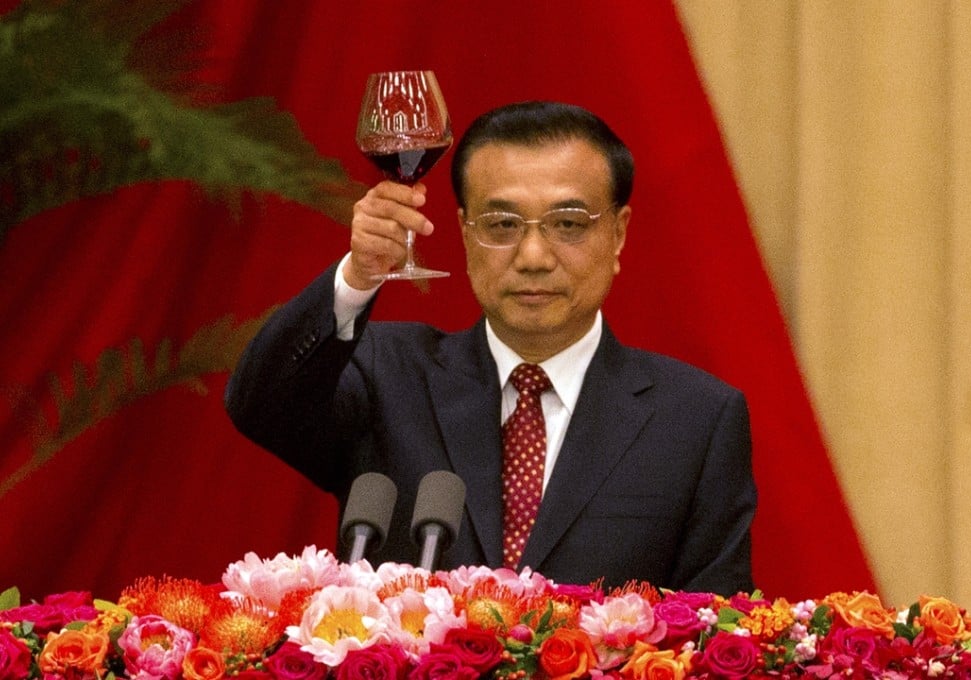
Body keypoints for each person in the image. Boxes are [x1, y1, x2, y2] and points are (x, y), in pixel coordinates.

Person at [225, 101, 756, 595]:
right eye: (502, 225)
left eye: (568, 224)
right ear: (463, 231)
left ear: (618, 234)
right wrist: (356, 278)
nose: (532, 255)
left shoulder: (696, 420)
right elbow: (260, 405)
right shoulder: (388, 375)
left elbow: (717, 626)